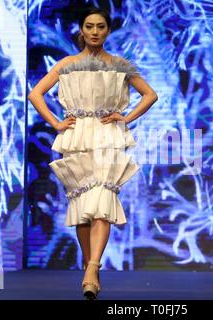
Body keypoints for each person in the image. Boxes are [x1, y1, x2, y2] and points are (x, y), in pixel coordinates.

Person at [28, 6, 158, 299]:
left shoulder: (120, 65)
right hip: (76, 136)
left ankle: (92, 267)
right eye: (90, 26)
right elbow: (35, 94)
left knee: (103, 197)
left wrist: (126, 118)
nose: (95, 32)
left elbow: (150, 94)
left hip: (108, 134)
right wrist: (57, 123)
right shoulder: (68, 64)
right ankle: (92, 268)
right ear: (82, 30)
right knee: (83, 208)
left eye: (100, 26)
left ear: (108, 31)